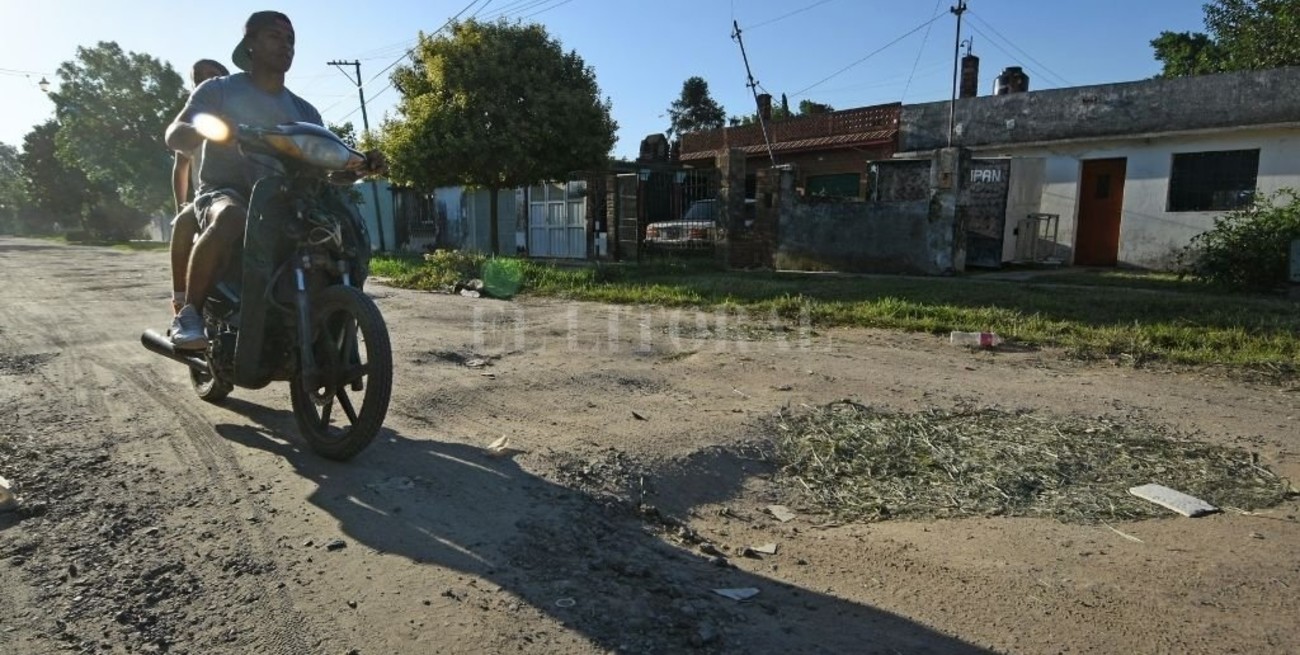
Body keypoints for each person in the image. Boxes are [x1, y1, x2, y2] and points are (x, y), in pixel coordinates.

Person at [164, 11, 381, 350]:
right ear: (250, 44)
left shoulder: (304, 111)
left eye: (291, 40)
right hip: (225, 191)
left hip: (286, 198)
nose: (286, 46)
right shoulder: (218, 90)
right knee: (232, 216)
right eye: (274, 37)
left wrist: (359, 167)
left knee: (342, 232)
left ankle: (326, 319)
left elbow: (326, 171)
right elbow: (175, 134)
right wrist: (212, 131)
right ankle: (190, 313)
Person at [168, 59, 229, 322]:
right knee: (182, 223)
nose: (207, 79)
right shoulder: (194, 122)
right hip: (209, 194)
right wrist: (180, 205)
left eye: (214, 74)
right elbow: (181, 167)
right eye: (200, 76)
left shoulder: (241, 113)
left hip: (251, 190)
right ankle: (183, 303)